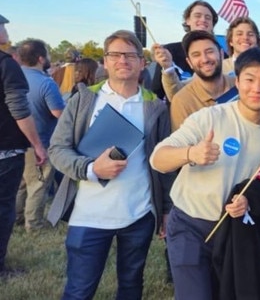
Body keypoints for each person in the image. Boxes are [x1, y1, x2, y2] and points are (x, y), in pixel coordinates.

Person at [47, 30, 173, 299]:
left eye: (130, 55)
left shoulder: (156, 107)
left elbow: (163, 163)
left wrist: (165, 209)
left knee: (131, 287)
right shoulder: (83, 100)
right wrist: (91, 169)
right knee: (79, 290)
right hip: (88, 215)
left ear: (143, 62)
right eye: (115, 54)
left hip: (137, 214)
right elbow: (57, 149)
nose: (122, 60)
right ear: (105, 61)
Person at [150, 48, 260, 300]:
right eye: (249, 79)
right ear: (238, 81)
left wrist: (249, 201)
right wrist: (190, 153)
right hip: (190, 224)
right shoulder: (209, 117)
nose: (257, 88)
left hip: (233, 233)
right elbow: (158, 158)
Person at [0, 14, 47, 277]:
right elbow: (19, 109)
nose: (5, 30)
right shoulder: (6, 64)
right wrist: (37, 145)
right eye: (2, 26)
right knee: (3, 207)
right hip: (5, 149)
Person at [15, 40, 65, 232]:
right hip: (40, 142)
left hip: (16, 141)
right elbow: (58, 113)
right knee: (38, 184)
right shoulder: (46, 83)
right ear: (41, 58)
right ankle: (34, 224)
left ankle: (16, 217)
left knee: (21, 184)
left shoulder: (13, 76)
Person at [151, 0, 219, 100]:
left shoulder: (221, 55)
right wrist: (167, 67)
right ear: (187, 20)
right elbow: (157, 93)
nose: (203, 20)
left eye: (208, 17)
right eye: (197, 16)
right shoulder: (169, 51)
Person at [169, 30, 235, 131]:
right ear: (189, 62)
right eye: (196, 55)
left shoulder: (241, 86)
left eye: (209, 52)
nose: (205, 59)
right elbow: (182, 144)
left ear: (221, 54)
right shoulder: (182, 101)